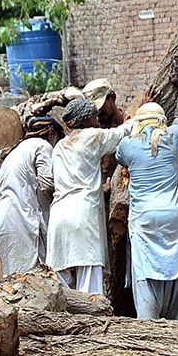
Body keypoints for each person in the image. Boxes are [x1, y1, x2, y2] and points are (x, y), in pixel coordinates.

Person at [115, 59, 178, 320]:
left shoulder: (129, 146)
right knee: (176, 280)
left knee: (146, 276)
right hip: (175, 219)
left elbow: (118, 153)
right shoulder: (172, 138)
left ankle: (148, 324)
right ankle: (177, 327)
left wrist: (138, 112)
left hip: (145, 222)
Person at [45, 98, 133, 294]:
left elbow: (67, 181)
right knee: (89, 293)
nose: (97, 120)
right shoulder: (91, 136)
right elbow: (122, 133)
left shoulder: (59, 147)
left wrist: (99, 189)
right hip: (83, 218)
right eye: (93, 117)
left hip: (59, 219)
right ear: (84, 122)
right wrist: (139, 113)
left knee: (61, 291)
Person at [0, 117, 60, 276]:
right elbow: (48, 186)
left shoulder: (15, 150)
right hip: (22, 220)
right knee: (24, 277)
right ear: (51, 133)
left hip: (2, 218)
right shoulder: (42, 146)